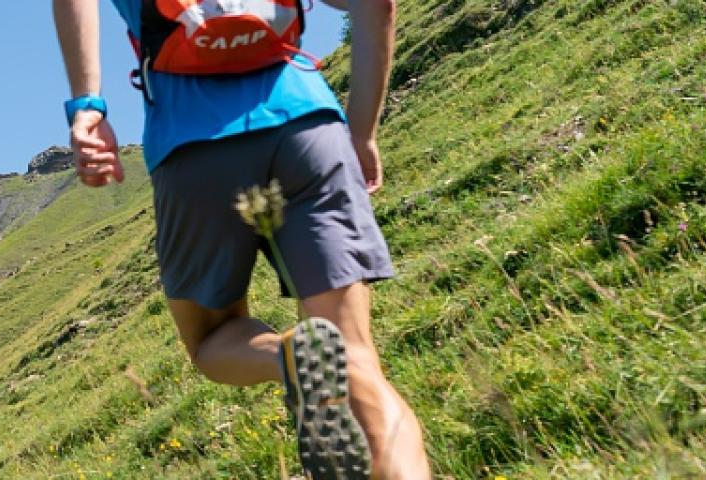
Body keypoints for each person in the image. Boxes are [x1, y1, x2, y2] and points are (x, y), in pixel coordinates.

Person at [50, 0, 430, 478]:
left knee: (210, 339)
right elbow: (377, 5)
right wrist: (362, 133)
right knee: (355, 358)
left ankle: (289, 356)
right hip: (307, 129)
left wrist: (87, 105)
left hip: (192, 149)